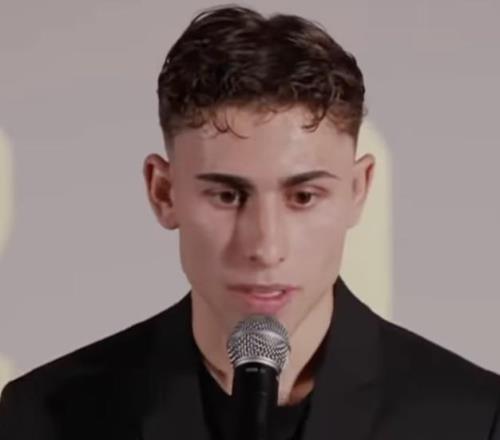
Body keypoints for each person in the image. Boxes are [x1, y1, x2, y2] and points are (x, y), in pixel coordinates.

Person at [0, 5, 499, 440]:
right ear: (163, 192)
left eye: (303, 196)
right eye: (227, 195)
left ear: (358, 190)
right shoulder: (45, 416)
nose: (265, 246)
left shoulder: (474, 419)